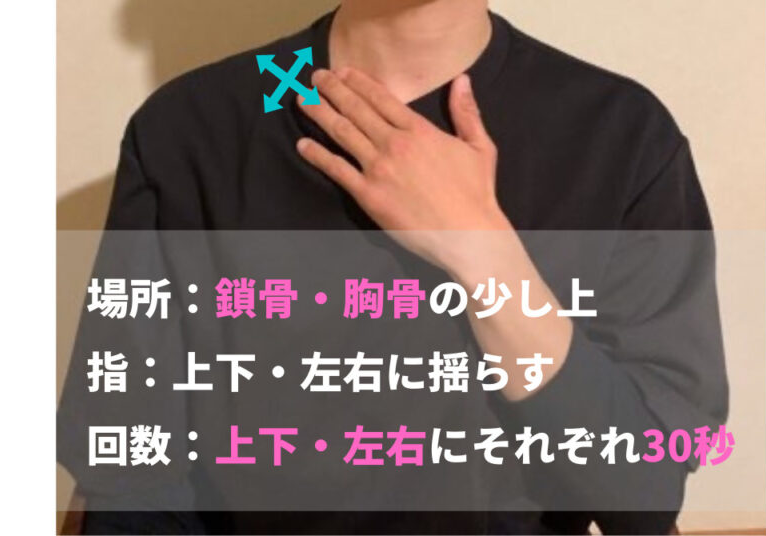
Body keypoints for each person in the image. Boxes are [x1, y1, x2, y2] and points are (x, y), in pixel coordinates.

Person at [63, 0, 728, 533]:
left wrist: (482, 251)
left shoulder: (619, 133)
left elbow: (642, 493)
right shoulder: (191, 126)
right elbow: (130, 471)